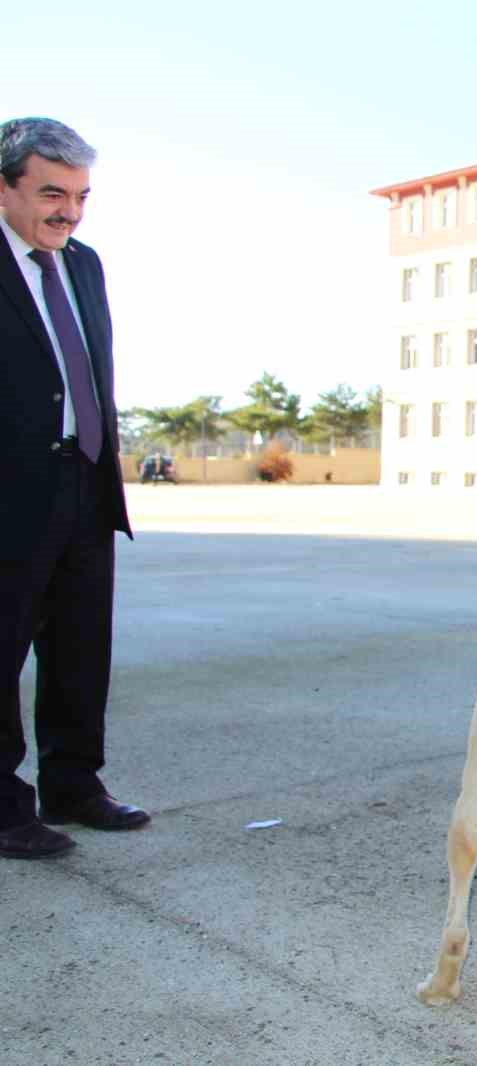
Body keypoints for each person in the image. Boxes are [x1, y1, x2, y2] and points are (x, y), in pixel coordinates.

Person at [0, 117, 147, 860]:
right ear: (5, 185)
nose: (70, 211)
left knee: (81, 646)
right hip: (9, 493)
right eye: (52, 193)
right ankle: (1, 806)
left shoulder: (83, 263)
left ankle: (74, 784)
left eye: (82, 196)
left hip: (85, 482)